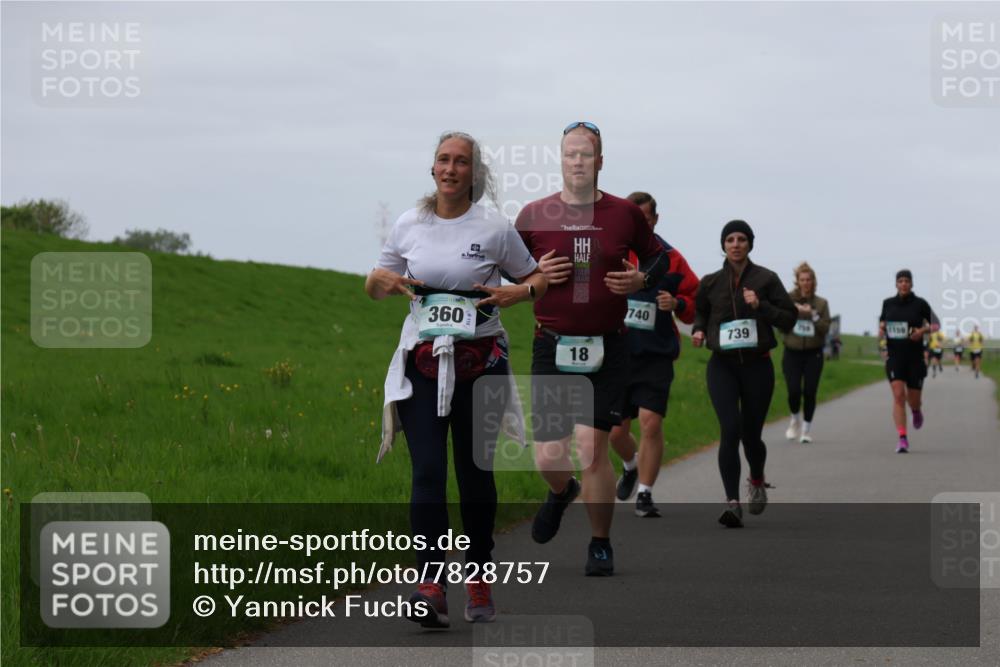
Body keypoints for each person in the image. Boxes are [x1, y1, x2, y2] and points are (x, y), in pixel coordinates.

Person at [368, 131, 547, 627]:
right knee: (426, 472)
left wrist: (520, 294)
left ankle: (479, 578)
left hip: (480, 364)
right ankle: (429, 583)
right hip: (422, 363)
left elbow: (538, 279)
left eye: (461, 162)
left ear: (474, 173)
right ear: (432, 170)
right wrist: (378, 281)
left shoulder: (494, 227)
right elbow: (376, 284)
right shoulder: (410, 223)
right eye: (443, 160)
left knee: (474, 476)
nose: (450, 168)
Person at [516, 121, 670, 575]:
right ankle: (561, 492)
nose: (578, 161)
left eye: (587, 154)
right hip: (551, 345)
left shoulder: (625, 214)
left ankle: (600, 543)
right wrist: (531, 273)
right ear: (560, 160)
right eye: (570, 154)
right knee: (548, 455)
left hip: (607, 347)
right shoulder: (533, 215)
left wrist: (643, 278)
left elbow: (660, 257)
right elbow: (507, 267)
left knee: (591, 448)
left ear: (600, 161)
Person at [691, 221, 797, 527]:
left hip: (757, 366)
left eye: (741, 239)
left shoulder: (766, 278)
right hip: (722, 366)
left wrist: (760, 305)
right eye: (730, 239)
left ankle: (757, 478)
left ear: (750, 244)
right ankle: (732, 502)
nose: (735, 244)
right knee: (730, 429)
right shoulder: (710, 282)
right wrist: (699, 330)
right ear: (723, 245)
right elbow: (701, 313)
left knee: (751, 436)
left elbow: (788, 319)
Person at [609, 192, 699, 517]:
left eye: (645, 220)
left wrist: (679, 305)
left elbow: (696, 300)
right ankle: (630, 465)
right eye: (634, 220)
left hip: (656, 354)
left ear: (655, 220)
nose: (639, 226)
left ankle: (645, 494)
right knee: (616, 431)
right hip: (616, 354)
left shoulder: (672, 258)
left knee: (650, 423)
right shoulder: (612, 252)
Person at [878, 269, 933, 453]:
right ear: (896, 284)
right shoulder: (888, 304)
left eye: (906, 281)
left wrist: (922, 332)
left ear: (911, 284)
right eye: (900, 281)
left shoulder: (920, 304)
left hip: (915, 357)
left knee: (913, 399)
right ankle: (902, 438)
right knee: (898, 395)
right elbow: (882, 325)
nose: (903, 284)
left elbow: (936, 324)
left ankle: (916, 411)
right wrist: (881, 332)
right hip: (895, 356)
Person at [782, 262, 831, 444]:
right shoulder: (788, 299)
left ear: (814, 281)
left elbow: (825, 328)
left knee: (810, 391)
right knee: (793, 390)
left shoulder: (821, 303)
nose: (805, 283)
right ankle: (795, 418)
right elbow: (782, 323)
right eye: (802, 279)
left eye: (809, 279)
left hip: (813, 353)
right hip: (792, 352)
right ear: (797, 281)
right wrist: (795, 312)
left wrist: (813, 315)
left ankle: (806, 430)